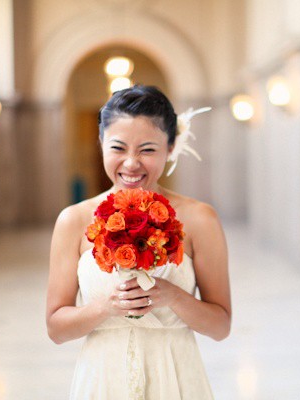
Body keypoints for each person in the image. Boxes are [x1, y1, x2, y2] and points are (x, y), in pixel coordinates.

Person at [46, 85, 232, 399]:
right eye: (118, 148)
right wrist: (107, 306)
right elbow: (56, 329)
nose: (131, 163)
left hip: (176, 377)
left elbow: (220, 327)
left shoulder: (201, 219)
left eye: (147, 149)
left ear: (171, 147)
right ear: (102, 143)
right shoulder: (73, 220)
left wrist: (172, 296)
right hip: (103, 379)